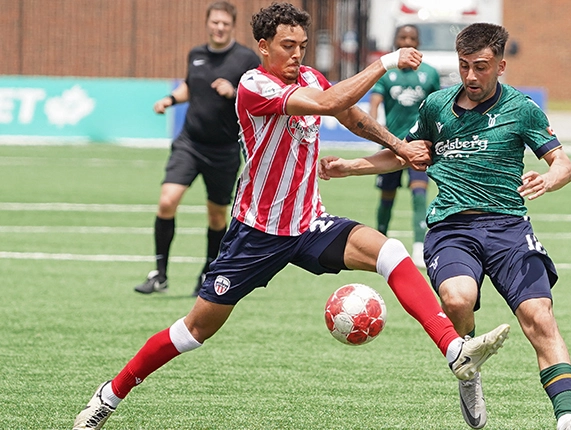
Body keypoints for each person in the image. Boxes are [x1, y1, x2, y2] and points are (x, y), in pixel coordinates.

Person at [73, 3, 510, 429]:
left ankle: (454, 350)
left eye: (301, 45)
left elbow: (353, 116)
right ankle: (109, 395)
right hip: (257, 234)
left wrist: (399, 146)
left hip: (308, 223)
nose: (296, 54)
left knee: (391, 252)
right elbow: (328, 101)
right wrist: (385, 63)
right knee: (194, 331)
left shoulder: (308, 77)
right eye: (287, 45)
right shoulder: (254, 85)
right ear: (263, 46)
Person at [320, 22, 571, 430]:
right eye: (464, 66)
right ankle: (468, 369)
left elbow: (564, 165)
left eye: (481, 66)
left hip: (509, 227)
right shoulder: (436, 106)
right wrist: (349, 168)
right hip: (452, 228)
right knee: (457, 299)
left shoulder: (522, 109)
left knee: (540, 317)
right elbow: (406, 155)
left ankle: (567, 419)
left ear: (500, 65)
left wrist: (548, 180)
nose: (471, 76)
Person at [136, 1, 261, 297]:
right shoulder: (196, 54)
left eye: (225, 24)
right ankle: (159, 274)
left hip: (225, 149)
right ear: (208, 23)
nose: (219, 28)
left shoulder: (245, 59)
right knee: (167, 201)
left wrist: (234, 92)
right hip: (190, 142)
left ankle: (208, 271)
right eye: (214, 22)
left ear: (232, 26)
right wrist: (170, 99)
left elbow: (258, 96)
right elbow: (190, 86)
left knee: (217, 216)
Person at [368, 24, 440, 268]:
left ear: (418, 42)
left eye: (412, 37)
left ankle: (419, 246)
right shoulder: (386, 73)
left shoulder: (429, 73)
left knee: (420, 194)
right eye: (403, 37)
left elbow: (435, 107)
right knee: (387, 198)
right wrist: (377, 131)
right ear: (396, 40)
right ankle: (379, 240)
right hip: (392, 146)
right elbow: (375, 104)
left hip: (418, 146)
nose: (407, 41)